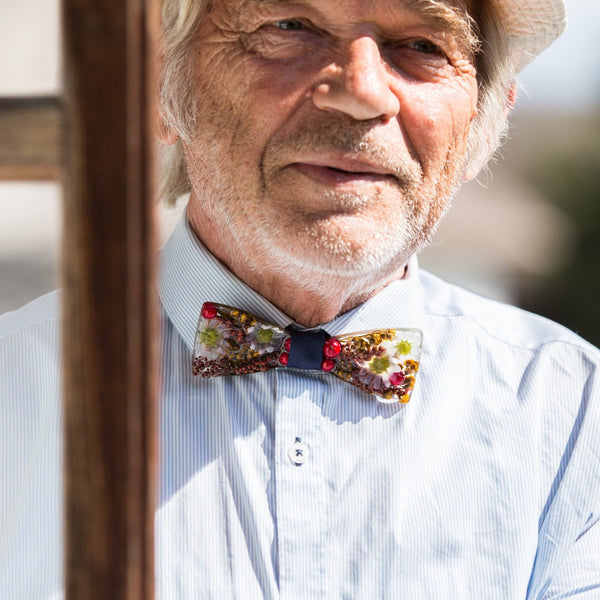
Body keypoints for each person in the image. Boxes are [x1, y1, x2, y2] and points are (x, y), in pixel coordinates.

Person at [1, 0, 599, 597]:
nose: (363, 91)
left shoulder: (574, 415)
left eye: (422, 46)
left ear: (484, 124)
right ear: (160, 85)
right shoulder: (13, 387)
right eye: (289, 28)